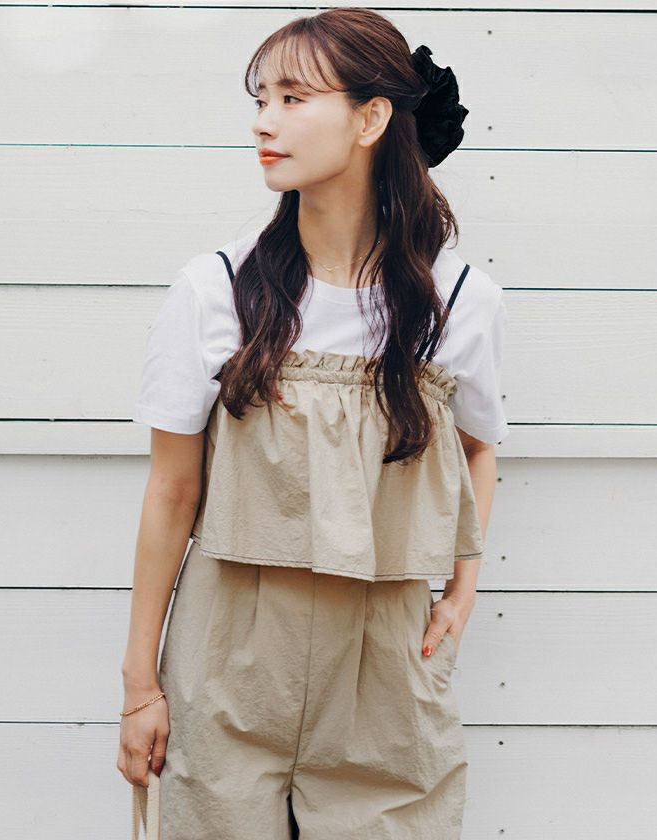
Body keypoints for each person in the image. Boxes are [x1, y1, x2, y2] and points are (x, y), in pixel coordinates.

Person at [117, 7, 509, 839]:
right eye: (261, 99)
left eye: (293, 98)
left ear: (371, 118)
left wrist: (463, 591)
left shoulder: (459, 300)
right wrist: (139, 684)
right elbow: (172, 491)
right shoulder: (216, 290)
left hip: (386, 667)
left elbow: (479, 447)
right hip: (230, 655)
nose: (264, 121)